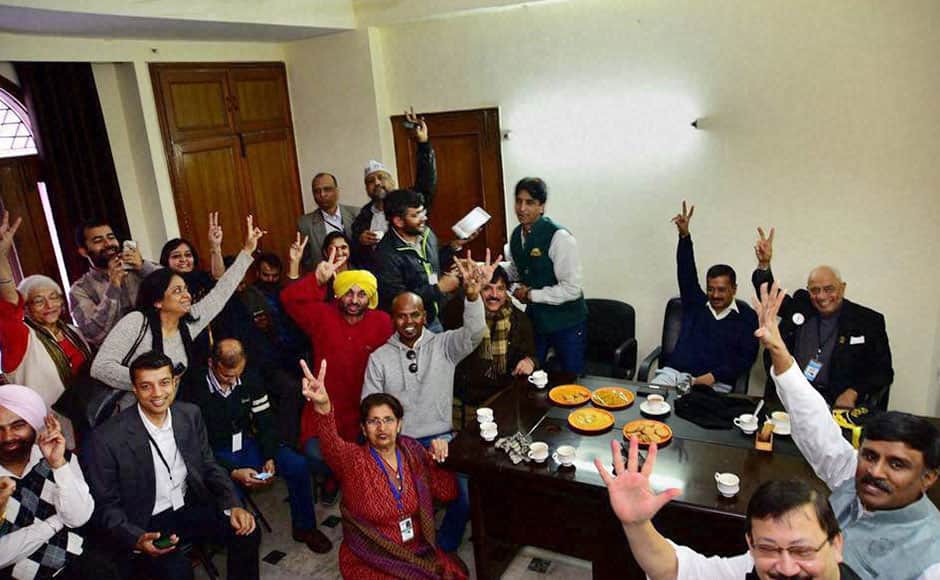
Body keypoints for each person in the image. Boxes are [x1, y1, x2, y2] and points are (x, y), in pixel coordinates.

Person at [755, 281, 940, 579]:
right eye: (869, 456)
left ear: (928, 477)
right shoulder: (852, 479)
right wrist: (778, 349)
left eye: (897, 464)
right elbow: (815, 423)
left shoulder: (932, 557)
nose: (875, 471)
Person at [81, 351, 260, 580]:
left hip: (189, 504)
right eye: (146, 386)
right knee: (177, 571)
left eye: (164, 383)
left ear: (174, 383)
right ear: (134, 389)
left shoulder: (189, 414)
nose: (157, 394)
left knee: (247, 532)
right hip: (147, 521)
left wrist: (232, 504)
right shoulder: (106, 438)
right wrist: (137, 538)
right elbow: (105, 505)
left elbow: (208, 465)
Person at [363, 251, 492, 553]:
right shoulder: (378, 358)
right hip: (397, 443)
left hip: (441, 438)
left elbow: (474, 333)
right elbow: (371, 413)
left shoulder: (444, 345)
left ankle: (443, 549)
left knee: (466, 497)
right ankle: (410, 548)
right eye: (401, 315)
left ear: (425, 315)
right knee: (402, 502)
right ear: (392, 318)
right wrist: (394, 446)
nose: (408, 322)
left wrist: (472, 296)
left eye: (415, 314)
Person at [594, 436, 857, 579]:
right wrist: (637, 524)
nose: (786, 568)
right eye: (768, 548)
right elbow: (674, 571)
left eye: (802, 550)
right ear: (751, 547)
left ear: (836, 545)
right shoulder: (748, 570)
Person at [301, 359, 467, 579]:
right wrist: (323, 407)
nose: (382, 428)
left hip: (416, 549)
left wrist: (439, 460)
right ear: (363, 428)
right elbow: (330, 442)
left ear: (399, 425)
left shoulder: (414, 452)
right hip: (371, 557)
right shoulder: (353, 460)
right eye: (373, 421)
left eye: (388, 420)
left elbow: (448, 493)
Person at [90, 215, 264, 409]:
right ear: (157, 301)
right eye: (177, 291)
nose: (186, 295)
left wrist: (248, 249)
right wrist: (155, 381)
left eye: (186, 290)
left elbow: (222, 291)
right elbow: (101, 368)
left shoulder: (189, 324)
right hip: (130, 414)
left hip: (170, 411)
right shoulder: (137, 321)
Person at [189, 338, 332, 553]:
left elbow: (265, 422)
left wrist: (269, 456)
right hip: (214, 455)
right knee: (228, 490)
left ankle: (305, 528)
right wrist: (233, 471)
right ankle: (238, 545)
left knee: (297, 465)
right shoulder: (194, 389)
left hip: (247, 444)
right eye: (226, 376)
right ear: (212, 363)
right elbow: (195, 448)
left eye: (238, 373)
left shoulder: (250, 378)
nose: (233, 380)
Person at [752, 227, 893, 408]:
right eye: (815, 290)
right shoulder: (801, 306)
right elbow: (769, 293)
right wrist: (764, 264)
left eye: (829, 289)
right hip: (791, 397)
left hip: (835, 403)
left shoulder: (867, 321)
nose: (822, 296)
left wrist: (853, 392)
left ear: (842, 288)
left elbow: (883, 372)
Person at [281, 238, 393, 458]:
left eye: (362, 294)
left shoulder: (382, 321)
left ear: (370, 298)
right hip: (324, 410)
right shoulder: (323, 315)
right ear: (338, 294)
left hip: (366, 412)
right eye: (348, 293)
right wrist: (317, 279)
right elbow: (289, 300)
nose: (354, 300)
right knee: (317, 455)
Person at [0, 211, 92, 447]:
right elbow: (10, 306)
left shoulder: (74, 332)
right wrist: (2, 259)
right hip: (51, 432)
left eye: (54, 297)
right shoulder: (21, 337)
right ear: (27, 307)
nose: (50, 305)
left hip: (89, 422)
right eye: (39, 300)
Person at [652, 201, 758, 392]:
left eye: (721, 289)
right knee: (651, 402)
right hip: (676, 375)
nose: (715, 295)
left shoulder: (746, 316)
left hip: (715, 382)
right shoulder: (696, 303)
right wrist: (684, 236)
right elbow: (686, 272)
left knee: (701, 416)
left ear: (734, 289)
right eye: (711, 289)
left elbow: (746, 358)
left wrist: (713, 376)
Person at [0, 385, 101, 579]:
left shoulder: (59, 457)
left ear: (33, 425)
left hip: (80, 565)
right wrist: (54, 523)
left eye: (18, 425)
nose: (8, 437)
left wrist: (58, 465)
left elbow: (78, 517)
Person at [503, 177, 588, 375]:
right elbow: (517, 272)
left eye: (529, 202)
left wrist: (532, 295)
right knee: (531, 375)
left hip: (567, 322)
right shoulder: (516, 236)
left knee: (571, 380)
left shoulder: (559, 237)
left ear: (541, 206)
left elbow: (572, 289)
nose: (522, 208)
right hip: (537, 321)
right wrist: (490, 269)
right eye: (518, 201)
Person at [442, 265, 537, 425]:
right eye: (487, 288)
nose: (494, 295)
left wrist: (530, 362)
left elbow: (531, 354)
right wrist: (469, 292)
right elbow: (447, 314)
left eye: (500, 289)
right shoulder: (460, 313)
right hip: (464, 401)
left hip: (501, 398)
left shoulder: (519, 320)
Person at [352, 108, 437, 272]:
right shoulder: (362, 217)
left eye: (381, 177)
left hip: (413, 275)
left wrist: (423, 143)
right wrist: (360, 241)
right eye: (371, 181)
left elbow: (427, 180)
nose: (377, 183)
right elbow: (354, 253)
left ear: (392, 180)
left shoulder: (409, 201)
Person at [69, 217, 160, 349]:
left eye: (111, 237)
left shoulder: (139, 268)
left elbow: (175, 287)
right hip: (119, 357)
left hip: (157, 345)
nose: (108, 244)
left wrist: (143, 267)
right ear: (83, 251)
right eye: (98, 241)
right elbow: (94, 334)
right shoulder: (80, 289)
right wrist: (114, 287)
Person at [296, 172, 359, 270]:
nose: (322, 194)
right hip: (325, 279)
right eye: (317, 191)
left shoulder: (356, 214)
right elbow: (307, 262)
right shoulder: (305, 223)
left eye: (327, 189)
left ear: (337, 191)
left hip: (357, 276)